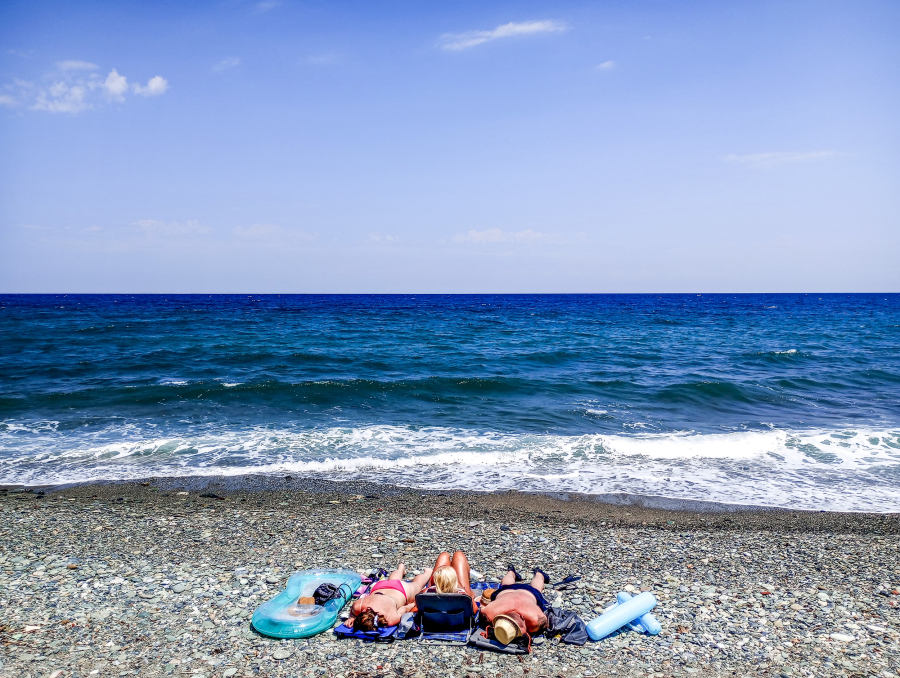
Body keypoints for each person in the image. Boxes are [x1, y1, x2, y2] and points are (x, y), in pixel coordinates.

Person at [346, 563, 432, 631]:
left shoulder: (390, 619)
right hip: (380, 586)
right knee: (394, 579)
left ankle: (428, 573)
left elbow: (405, 609)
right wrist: (352, 617)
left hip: (401, 591)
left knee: (418, 584)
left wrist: (413, 603)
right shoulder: (358, 606)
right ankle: (400, 569)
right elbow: (353, 611)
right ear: (364, 611)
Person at [481, 566, 550, 646]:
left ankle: (516, 572)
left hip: (524, 593)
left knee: (536, 588)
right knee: (507, 584)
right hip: (510, 591)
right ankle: (538, 573)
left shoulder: (534, 619)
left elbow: (545, 622)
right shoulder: (490, 614)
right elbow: (482, 606)